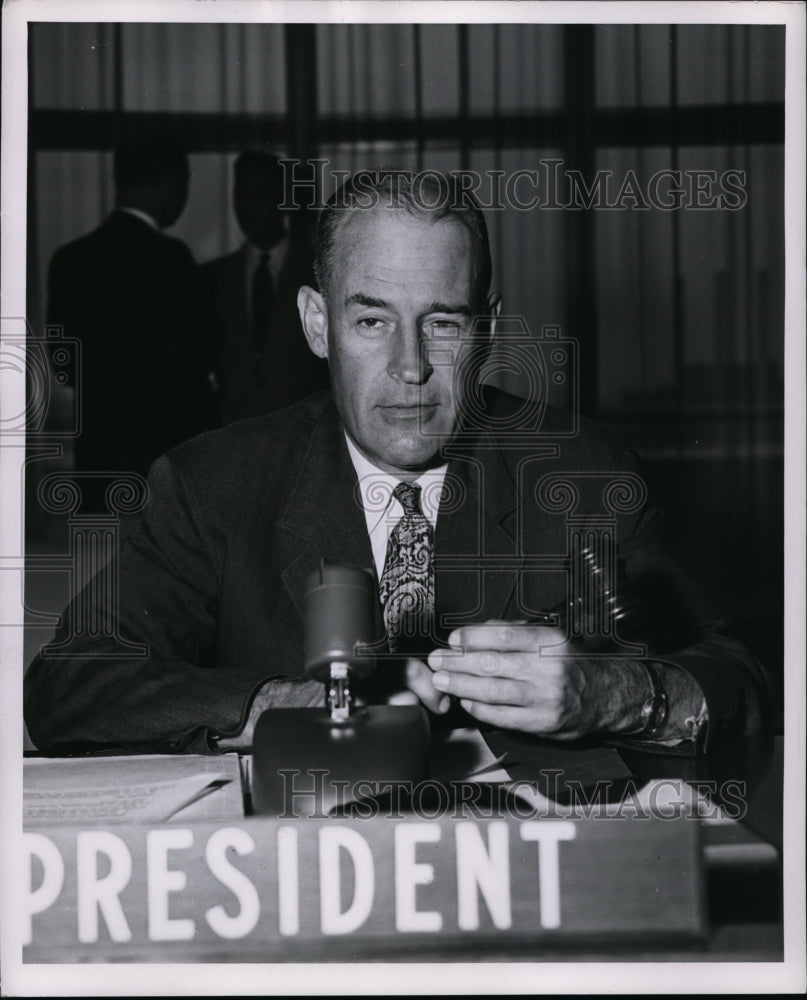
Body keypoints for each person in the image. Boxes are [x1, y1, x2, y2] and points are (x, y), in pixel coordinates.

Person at [24, 170, 770, 756]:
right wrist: (273, 705)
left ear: (487, 329)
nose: (409, 367)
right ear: (318, 325)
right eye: (371, 320)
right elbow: (70, 682)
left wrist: (618, 694)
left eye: (441, 323)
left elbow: (739, 678)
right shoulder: (212, 484)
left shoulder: (584, 471)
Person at [201, 150, 329, 423]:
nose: (248, 205)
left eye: (261, 193)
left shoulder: (319, 271)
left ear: (284, 199)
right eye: (241, 194)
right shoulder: (211, 278)